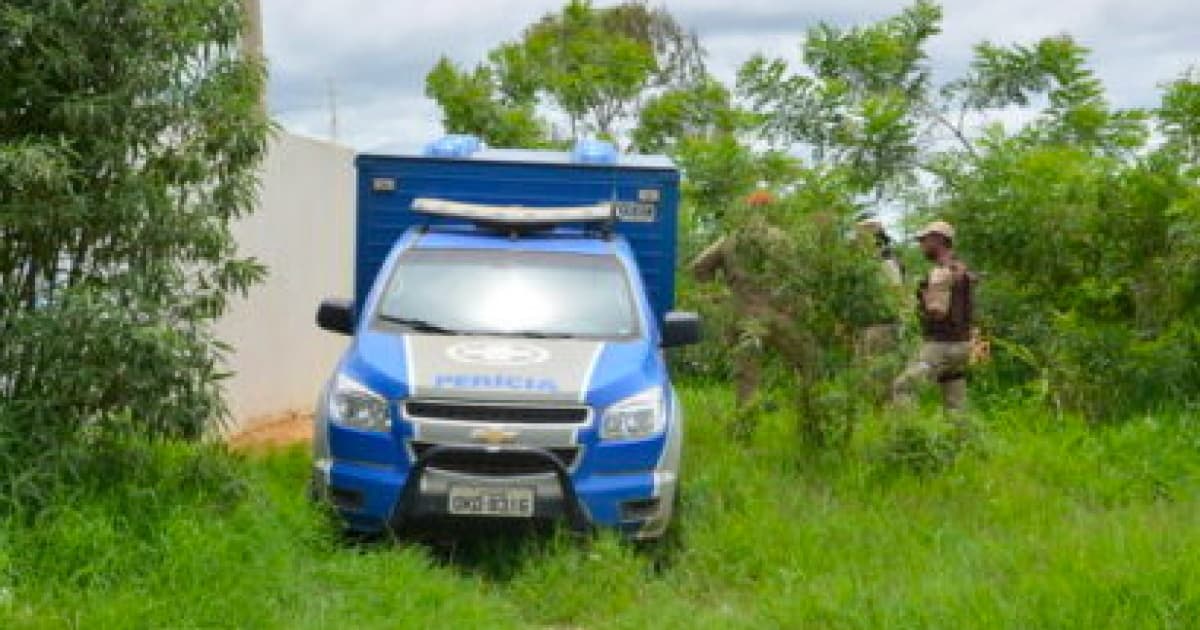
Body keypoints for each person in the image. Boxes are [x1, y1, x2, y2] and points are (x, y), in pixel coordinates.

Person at [892, 220, 974, 415]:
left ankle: (909, 438)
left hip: (940, 346)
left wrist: (922, 301)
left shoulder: (940, 272)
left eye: (924, 240)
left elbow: (937, 311)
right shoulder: (962, 270)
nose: (921, 245)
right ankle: (962, 442)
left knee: (903, 387)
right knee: (955, 405)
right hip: (962, 346)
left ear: (938, 240)